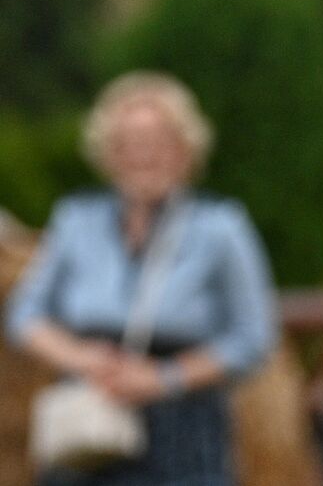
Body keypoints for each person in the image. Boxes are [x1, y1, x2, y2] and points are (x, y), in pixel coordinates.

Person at [5, 71, 279, 486]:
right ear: (107, 153)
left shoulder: (220, 228)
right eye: (128, 144)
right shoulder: (77, 220)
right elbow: (26, 314)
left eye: (157, 143)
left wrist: (162, 378)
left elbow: (252, 336)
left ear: (185, 151)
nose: (143, 156)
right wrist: (83, 359)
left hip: (182, 426)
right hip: (91, 422)